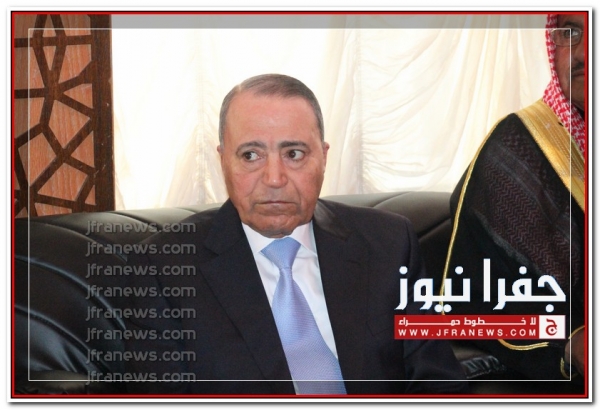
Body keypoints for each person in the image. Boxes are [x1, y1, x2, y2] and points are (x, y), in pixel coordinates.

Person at [123, 73, 469, 395]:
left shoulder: (389, 244)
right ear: (224, 159)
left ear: (323, 157)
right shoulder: (162, 269)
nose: (274, 178)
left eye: (294, 154)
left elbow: (439, 383)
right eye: (251, 155)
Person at [443, 13, 586, 382]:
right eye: (570, 32)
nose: (582, 52)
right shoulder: (516, 152)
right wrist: (571, 343)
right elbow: (474, 300)